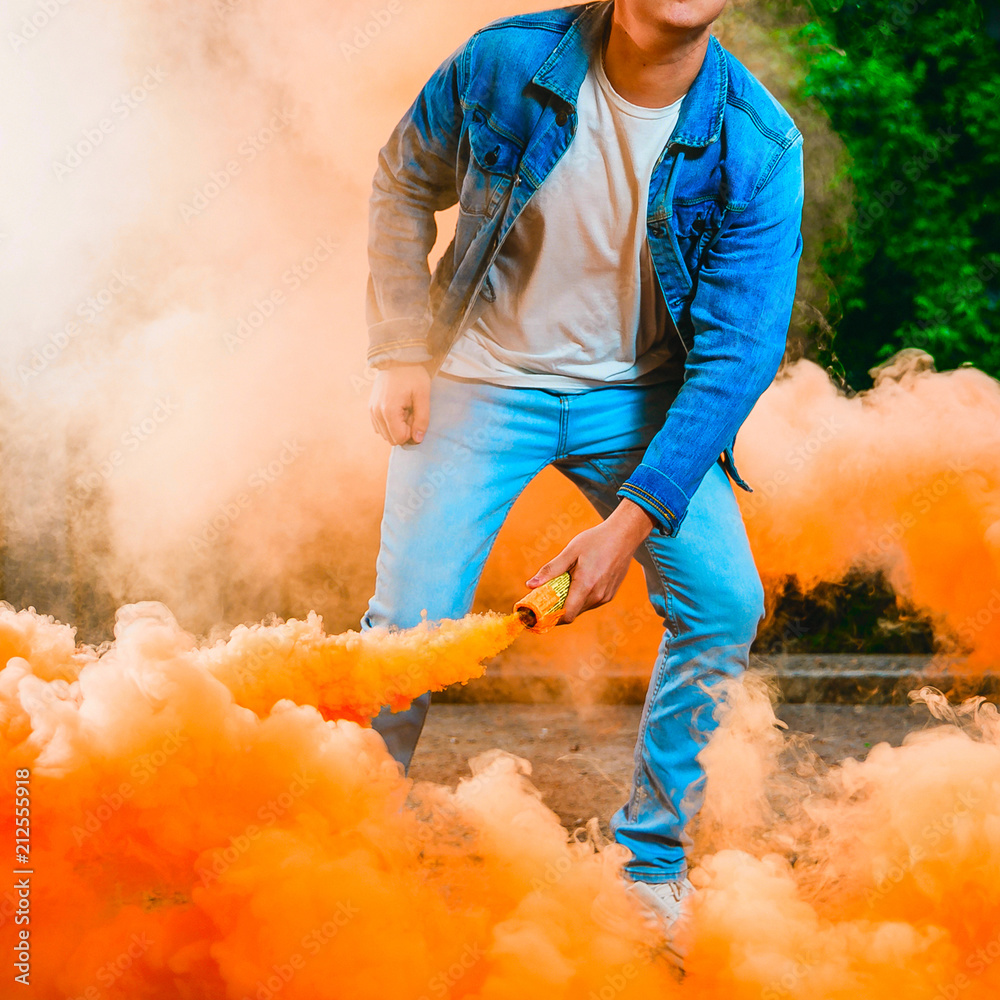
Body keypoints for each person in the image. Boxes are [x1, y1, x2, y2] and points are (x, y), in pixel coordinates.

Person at [362, 0, 803, 940]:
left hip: (641, 400)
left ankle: (648, 868)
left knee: (725, 603)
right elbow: (403, 181)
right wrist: (400, 348)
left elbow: (735, 361)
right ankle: (343, 847)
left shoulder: (758, 143)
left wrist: (629, 523)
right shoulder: (506, 63)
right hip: (478, 378)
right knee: (407, 628)